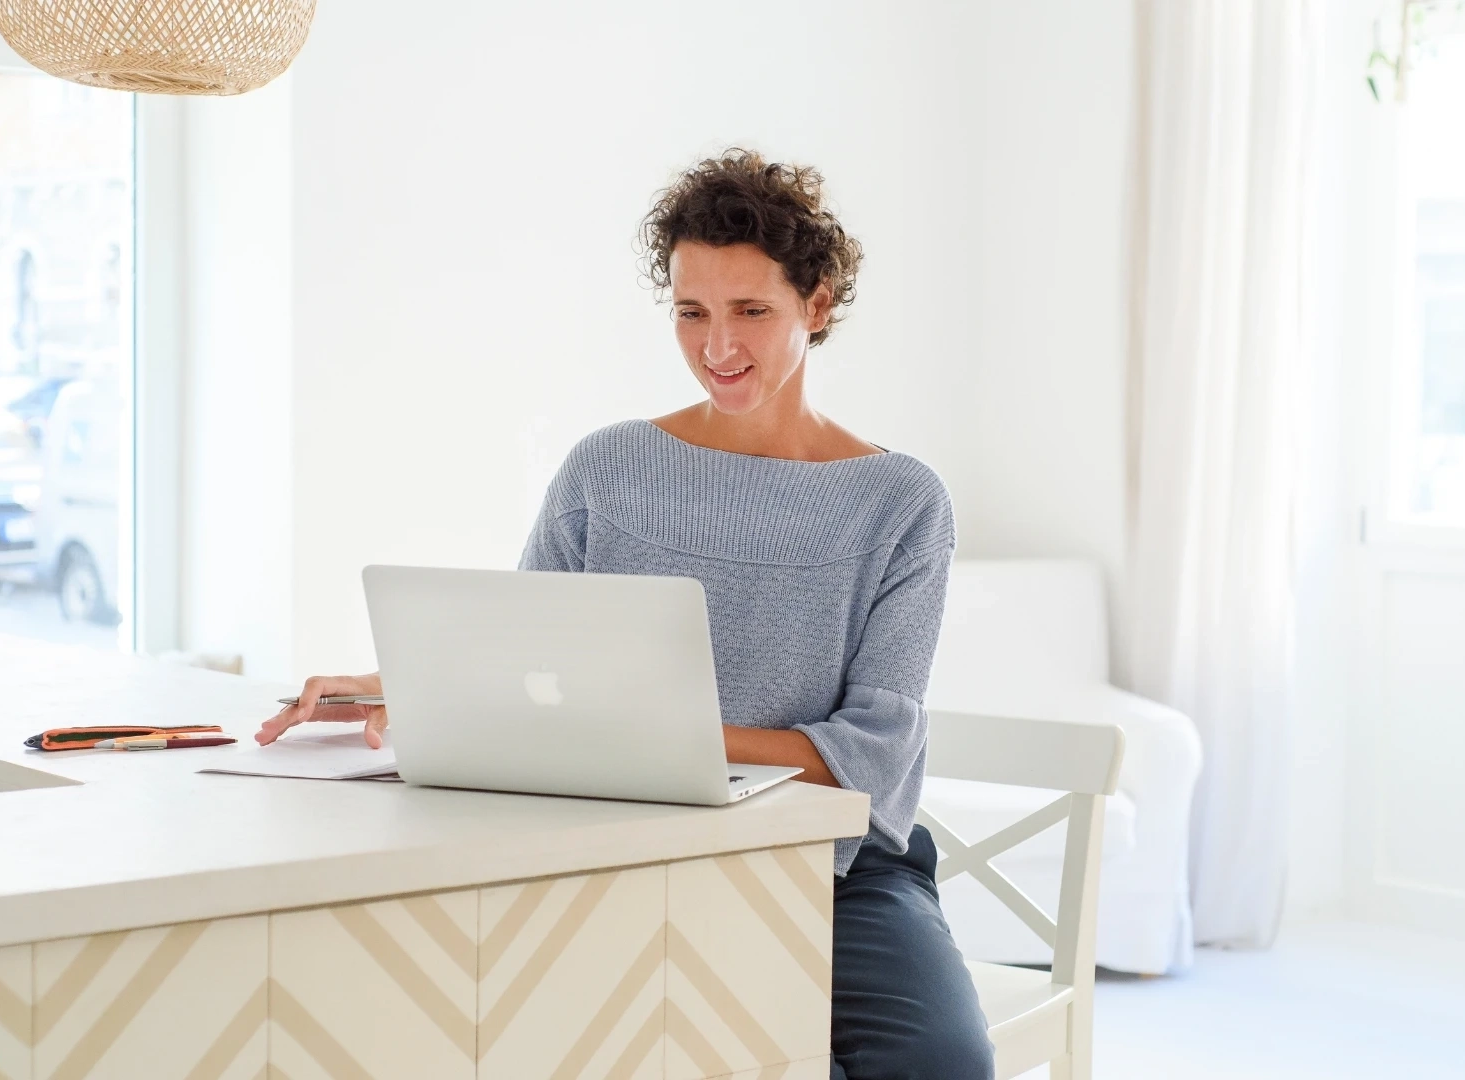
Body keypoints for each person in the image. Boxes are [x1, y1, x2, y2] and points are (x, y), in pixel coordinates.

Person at [257, 148, 993, 1080]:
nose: (717, 347)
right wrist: (398, 681)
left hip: (833, 872)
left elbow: (874, 753)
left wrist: (664, 737)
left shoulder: (900, 501)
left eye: (751, 312)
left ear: (817, 304)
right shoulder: (607, 471)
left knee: (942, 1067)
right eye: (691, 312)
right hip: (623, 850)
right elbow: (528, 658)